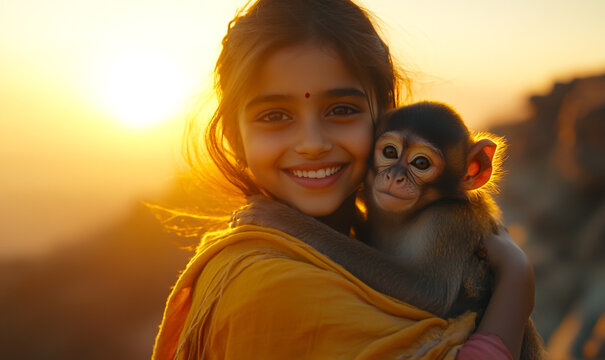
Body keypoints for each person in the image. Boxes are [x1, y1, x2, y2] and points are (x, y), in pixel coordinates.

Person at [152, 0, 535, 359]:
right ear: (235, 139)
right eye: (274, 115)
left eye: (341, 109)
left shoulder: (408, 225)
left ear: (383, 118)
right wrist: (516, 285)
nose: (313, 145)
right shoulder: (268, 288)